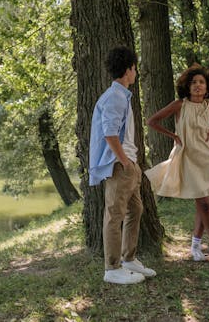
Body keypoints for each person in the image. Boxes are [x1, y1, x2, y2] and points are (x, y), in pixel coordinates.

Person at [145, 63, 209, 264]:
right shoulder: (179, 105)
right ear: (187, 87)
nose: (198, 85)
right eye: (193, 82)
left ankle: (195, 247)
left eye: (201, 82)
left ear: (207, 87)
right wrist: (173, 135)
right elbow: (152, 121)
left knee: (202, 204)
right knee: (205, 204)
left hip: (205, 158)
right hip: (187, 157)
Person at [89, 46, 157, 284]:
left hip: (129, 164)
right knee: (114, 215)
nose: (136, 73)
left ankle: (128, 259)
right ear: (128, 70)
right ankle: (112, 268)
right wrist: (125, 162)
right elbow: (109, 134)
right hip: (119, 166)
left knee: (135, 210)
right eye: (134, 68)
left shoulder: (122, 95)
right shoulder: (115, 96)